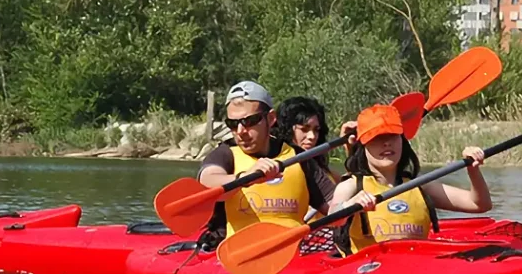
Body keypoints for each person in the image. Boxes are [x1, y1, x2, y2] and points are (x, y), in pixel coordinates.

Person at [197, 81, 353, 245]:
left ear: (270, 119)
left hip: (292, 254)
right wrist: (245, 177)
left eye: (250, 121)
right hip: (238, 255)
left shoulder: (297, 158)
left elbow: (334, 209)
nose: (241, 131)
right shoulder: (225, 153)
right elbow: (207, 182)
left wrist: (356, 161)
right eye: (233, 124)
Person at [330, 103, 491, 255]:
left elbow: (479, 204)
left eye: (392, 136)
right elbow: (332, 220)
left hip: (416, 270)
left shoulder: (420, 186)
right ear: (363, 146)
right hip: (368, 271)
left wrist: (473, 169)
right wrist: (350, 205)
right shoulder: (352, 187)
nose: (386, 143)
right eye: (377, 138)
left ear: (402, 141)